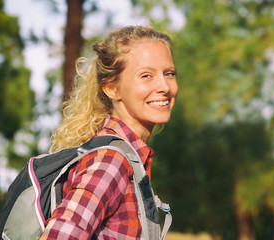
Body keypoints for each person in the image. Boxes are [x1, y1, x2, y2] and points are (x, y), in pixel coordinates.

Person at [39, 25, 178, 239]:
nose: (165, 87)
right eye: (146, 75)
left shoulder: (127, 157)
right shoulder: (111, 160)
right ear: (111, 88)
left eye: (169, 73)